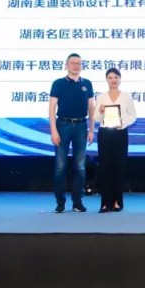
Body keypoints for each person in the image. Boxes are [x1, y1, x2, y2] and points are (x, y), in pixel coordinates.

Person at [49, 53, 95, 213]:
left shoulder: (87, 84)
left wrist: (91, 129)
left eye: (79, 63)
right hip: (62, 125)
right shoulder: (58, 83)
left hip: (81, 126)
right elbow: (52, 108)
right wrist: (53, 131)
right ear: (66, 65)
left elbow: (91, 108)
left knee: (80, 166)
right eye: (73, 63)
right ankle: (60, 203)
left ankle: (77, 202)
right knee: (60, 166)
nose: (76, 66)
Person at [93, 67, 137, 213]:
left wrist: (123, 124)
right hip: (105, 133)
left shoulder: (126, 96)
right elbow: (95, 118)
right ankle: (105, 203)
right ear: (106, 80)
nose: (113, 80)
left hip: (120, 133)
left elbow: (133, 116)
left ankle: (118, 201)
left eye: (116, 77)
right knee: (105, 167)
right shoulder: (101, 97)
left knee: (119, 167)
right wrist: (100, 112)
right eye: (110, 77)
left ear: (120, 79)